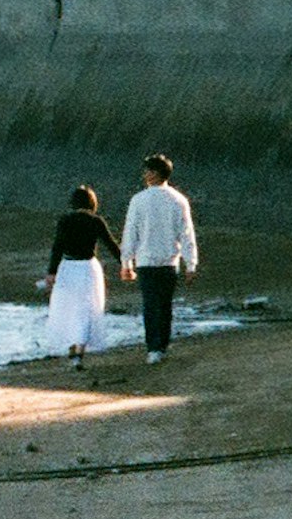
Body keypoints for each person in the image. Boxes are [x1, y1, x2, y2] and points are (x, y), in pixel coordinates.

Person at [119, 153, 199, 364]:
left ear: (155, 174)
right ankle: (161, 345)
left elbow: (130, 232)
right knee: (164, 305)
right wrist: (191, 263)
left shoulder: (138, 200)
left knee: (150, 305)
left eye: (148, 170)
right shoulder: (179, 200)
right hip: (169, 261)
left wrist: (126, 261)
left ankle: (153, 347)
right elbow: (187, 234)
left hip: (145, 261)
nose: (145, 174)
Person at [41, 185, 116, 365]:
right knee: (87, 308)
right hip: (89, 268)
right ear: (92, 202)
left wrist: (51, 272)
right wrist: (126, 265)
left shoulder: (65, 220)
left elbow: (57, 247)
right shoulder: (96, 220)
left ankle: (71, 347)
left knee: (68, 307)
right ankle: (80, 350)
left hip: (68, 267)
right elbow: (111, 245)